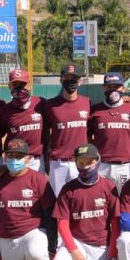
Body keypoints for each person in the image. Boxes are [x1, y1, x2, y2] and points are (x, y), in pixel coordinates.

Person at [48, 143, 120, 260]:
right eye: (81, 162)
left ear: (97, 161)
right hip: (76, 241)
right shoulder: (68, 189)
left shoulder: (108, 186)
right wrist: (73, 250)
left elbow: (115, 223)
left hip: (100, 244)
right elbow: (63, 223)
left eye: (89, 162)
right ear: (75, 163)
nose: (85, 166)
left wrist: (113, 254)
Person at [44, 64, 91, 193]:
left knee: (81, 202)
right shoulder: (51, 105)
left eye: (74, 78)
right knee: (58, 203)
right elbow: (44, 134)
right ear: (60, 80)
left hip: (81, 162)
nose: (70, 81)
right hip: (58, 163)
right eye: (67, 77)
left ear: (80, 81)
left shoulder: (87, 102)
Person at [89, 72, 130, 192]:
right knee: (101, 200)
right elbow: (88, 136)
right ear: (103, 88)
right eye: (109, 87)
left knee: (124, 200)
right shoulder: (95, 109)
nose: (113, 90)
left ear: (123, 88)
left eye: (116, 86)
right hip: (101, 165)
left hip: (124, 165)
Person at [0, 69, 49, 174]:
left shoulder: (41, 104)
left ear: (29, 85)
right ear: (9, 86)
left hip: (36, 160)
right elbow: (0, 136)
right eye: (15, 84)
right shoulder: (5, 110)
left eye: (22, 84)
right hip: (15, 159)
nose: (18, 88)